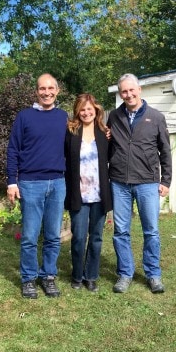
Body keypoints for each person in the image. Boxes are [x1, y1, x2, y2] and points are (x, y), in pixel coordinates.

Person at [106, 73, 172, 294]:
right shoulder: (114, 117)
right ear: (120, 93)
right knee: (120, 231)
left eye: (131, 90)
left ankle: (153, 274)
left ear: (139, 89)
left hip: (147, 182)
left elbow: (165, 151)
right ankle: (125, 273)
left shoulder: (156, 117)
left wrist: (166, 181)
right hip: (119, 182)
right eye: (124, 91)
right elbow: (106, 147)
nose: (128, 94)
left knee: (151, 231)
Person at [6, 73, 68, 299]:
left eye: (51, 88)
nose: (47, 92)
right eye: (42, 88)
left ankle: (48, 276)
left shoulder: (63, 117)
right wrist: (12, 181)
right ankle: (29, 279)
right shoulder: (24, 117)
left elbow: (81, 141)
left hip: (58, 183)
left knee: (53, 235)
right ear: (36, 91)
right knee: (31, 236)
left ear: (57, 90)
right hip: (30, 183)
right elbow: (13, 149)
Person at [64, 93, 113, 292]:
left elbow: (111, 158)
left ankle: (91, 276)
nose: (86, 112)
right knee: (78, 237)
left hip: (99, 195)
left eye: (89, 109)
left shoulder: (104, 133)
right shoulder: (71, 132)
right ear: (77, 111)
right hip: (79, 194)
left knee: (96, 237)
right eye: (82, 109)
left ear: (96, 110)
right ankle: (77, 275)